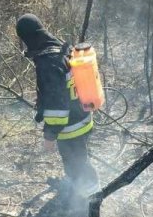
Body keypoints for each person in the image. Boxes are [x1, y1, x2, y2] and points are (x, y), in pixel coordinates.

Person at [15, 14, 100, 199]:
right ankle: (74, 186)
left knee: (78, 162)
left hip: (71, 125)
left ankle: (92, 201)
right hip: (81, 117)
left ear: (27, 38)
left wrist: (50, 136)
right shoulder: (61, 48)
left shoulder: (48, 62)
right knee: (73, 159)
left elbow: (57, 106)